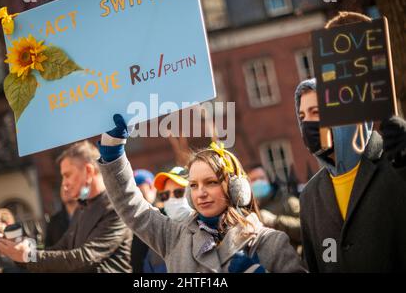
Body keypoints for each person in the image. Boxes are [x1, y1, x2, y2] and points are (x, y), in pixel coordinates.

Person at [97, 114, 306, 273]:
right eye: (194, 185)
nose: (201, 193)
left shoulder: (270, 243)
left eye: (211, 182)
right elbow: (132, 207)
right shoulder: (174, 237)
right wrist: (113, 155)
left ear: (236, 189)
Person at [296, 12, 406, 272]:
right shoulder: (310, 197)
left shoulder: (397, 165)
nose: (307, 124)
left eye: (316, 113)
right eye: (302, 116)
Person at [0, 141, 133, 273]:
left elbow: (84, 258)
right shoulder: (82, 208)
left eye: (67, 175)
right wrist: (17, 246)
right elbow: (58, 250)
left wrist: (27, 255)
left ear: (89, 171)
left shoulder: (116, 208)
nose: (64, 183)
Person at [248, 165, 302, 254]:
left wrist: (275, 221)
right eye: (253, 180)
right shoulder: (247, 209)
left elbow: (306, 227)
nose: (258, 182)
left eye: (261, 178)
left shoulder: (287, 200)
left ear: (268, 180)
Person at [131, 169, 167, 273]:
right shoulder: (130, 220)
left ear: (152, 186)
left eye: (139, 189)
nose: (135, 195)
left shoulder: (166, 214)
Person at [45, 183, 78, 248]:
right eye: (62, 186)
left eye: (68, 186)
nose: (65, 189)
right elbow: (49, 249)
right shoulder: (54, 221)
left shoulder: (87, 215)